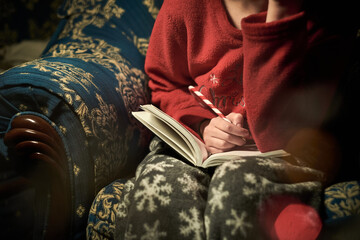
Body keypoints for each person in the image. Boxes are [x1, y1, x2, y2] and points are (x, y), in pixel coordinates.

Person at [115, 0, 356, 239]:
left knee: (237, 189)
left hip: (284, 152)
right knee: (160, 185)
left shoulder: (325, 20)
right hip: (195, 146)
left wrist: (280, 16)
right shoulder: (184, 6)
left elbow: (278, 135)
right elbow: (165, 84)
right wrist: (203, 124)